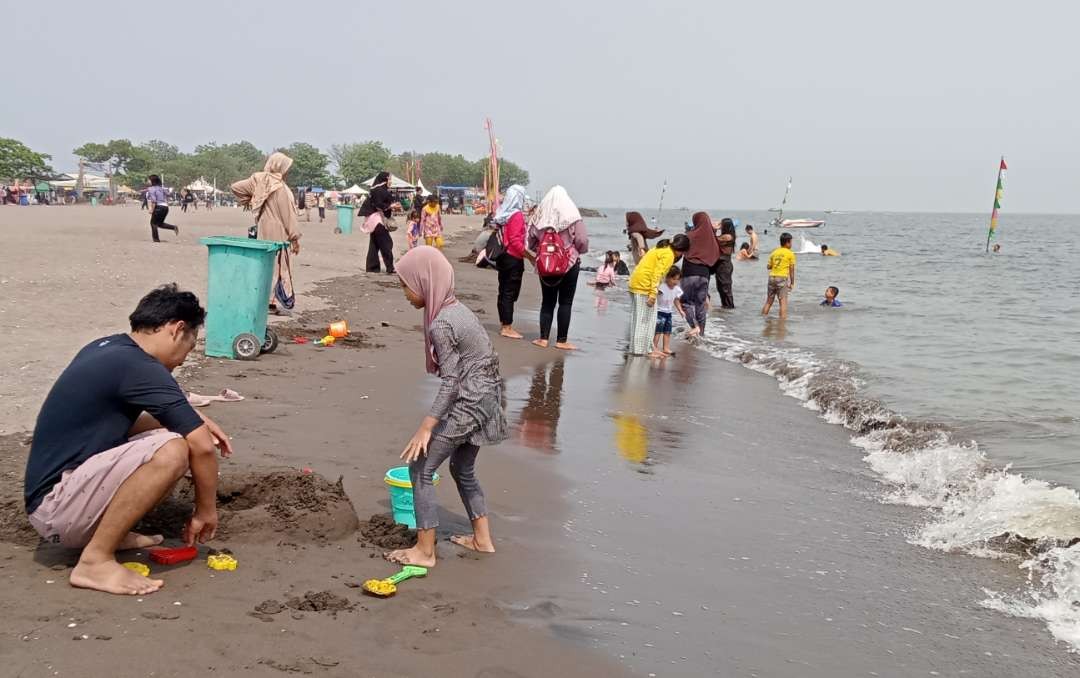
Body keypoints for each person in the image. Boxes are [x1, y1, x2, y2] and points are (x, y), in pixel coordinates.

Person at [23, 284, 232, 595]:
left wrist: (190, 418)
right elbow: (201, 447)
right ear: (177, 330)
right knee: (174, 449)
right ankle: (95, 560)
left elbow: (122, 425)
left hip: (57, 496)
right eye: (189, 348)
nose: (184, 360)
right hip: (56, 507)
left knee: (172, 435)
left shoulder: (108, 348)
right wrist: (206, 511)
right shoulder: (140, 366)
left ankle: (108, 533)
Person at [387, 247, 508, 567]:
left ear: (425, 282)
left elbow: (452, 382)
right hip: (490, 395)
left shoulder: (442, 323)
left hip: (472, 400)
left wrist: (427, 426)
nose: (405, 293)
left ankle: (424, 551)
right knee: (461, 467)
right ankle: (482, 539)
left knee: (421, 469)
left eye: (406, 284)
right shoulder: (458, 310)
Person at [231, 152, 302, 314]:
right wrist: (295, 238)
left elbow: (236, 188)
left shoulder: (259, 180)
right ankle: (270, 301)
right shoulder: (279, 188)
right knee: (279, 265)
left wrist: (252, 201)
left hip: (263, 228)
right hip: (279, 230)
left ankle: (263, 299)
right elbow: (288, 216)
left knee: (266, 264)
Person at [527, 186, 590, 350]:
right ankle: (562, 340)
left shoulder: (539, 217)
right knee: (565, 302)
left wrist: (542, 252)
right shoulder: (573, 217)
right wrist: (576, 251)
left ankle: (543, 338)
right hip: (569, 265)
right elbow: (582, 240)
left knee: (547, 302)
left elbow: (530, 241)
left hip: (545, 266)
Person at [627, 235, 691, 356]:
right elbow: (657, 274)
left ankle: (642, 349)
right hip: (643, 286)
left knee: (639, 319)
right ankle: (643, 351)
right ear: (681, 250)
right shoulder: (669, 255)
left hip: (636, 282)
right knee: (646, 321)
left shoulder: (663, 247)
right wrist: (652, 294)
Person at [491, 184, 529, 339]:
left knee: (504, 290)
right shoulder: (516, 215)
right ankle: (507, 326)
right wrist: (529, 256)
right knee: (509, 292)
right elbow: (514, 240)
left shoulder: (502, 213)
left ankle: (504, 323)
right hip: (513, 257)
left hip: (502, 256)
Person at [680, 211, 720, 337]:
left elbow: (679, 250)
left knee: (685, 303)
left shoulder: (690, 235)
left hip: (689, 273)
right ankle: (701, 333)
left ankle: (694, 327)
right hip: (704, 275)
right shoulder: (712, 239)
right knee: (700, 305)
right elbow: (716, 258)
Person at [358, 171, 396, 274]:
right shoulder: (380, 190)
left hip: (373, 220)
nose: (391, 181)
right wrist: (390, 206)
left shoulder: (376, 189)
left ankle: (372, 268)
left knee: (374, 245)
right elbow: (378, 204)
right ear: (385, 179)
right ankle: (390, 267)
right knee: (387, 243)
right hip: (377, 220)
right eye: (390, 179)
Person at [762, 232, 796, 319]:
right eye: (791, 242)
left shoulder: (774, 252)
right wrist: (792, 282)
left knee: (769, 301)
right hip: (781, 278)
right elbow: (791, 269)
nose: (791, 244)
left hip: (772, 278)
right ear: (787, 242)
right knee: (783, 303)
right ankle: (782, 324)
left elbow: (768, 266)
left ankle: (762, 318)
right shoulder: (790, 253)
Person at [653, 266, 685, 356]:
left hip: (669, 313)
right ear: (667, 277)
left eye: (678, 280)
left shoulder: (676, 289)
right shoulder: (662, 287)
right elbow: (654, 295)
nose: (676, 282)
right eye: (674, 279)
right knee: (658, 331)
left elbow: (676, 300)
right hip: (659, 312)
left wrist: (681, 310)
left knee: (667, 332)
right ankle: (654, 347)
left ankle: (666, 348)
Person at [146, 175, 179, 243]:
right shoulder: (161, 188)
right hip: (165, 207)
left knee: (153, 223)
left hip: (159, 207)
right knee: (160, 224)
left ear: (152, 180)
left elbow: (154, 201)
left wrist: (152, 209)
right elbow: (168, 194)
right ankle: (173, 227)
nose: (147, 181)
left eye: (148, 180)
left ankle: (156, 240)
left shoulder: (151, 189)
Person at [714, 217, 737, 309]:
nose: (720, 226)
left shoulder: (727, 236)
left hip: (724, 265)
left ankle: (729, 307)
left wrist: (715, 228)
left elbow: (713, 239)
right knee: (721, 287)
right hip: (722, 264)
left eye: (721, 225)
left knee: (725, 288)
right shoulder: (728, 235)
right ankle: (725, 308)